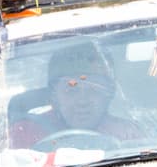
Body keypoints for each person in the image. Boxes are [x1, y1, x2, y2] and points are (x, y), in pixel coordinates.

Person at [11, 42, 141, 149]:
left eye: (93, 90)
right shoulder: (26, 132)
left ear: (108, 94)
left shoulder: (126, 134)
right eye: (71, 91)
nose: (82, 101)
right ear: (54, 95)